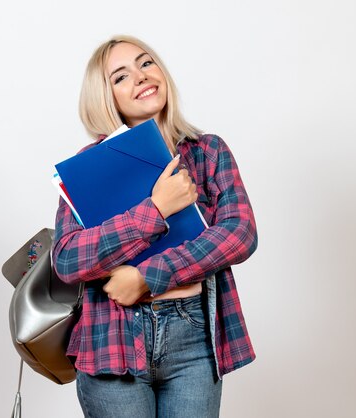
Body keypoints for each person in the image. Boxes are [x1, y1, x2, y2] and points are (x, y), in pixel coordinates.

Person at [52, 35, 258, 418]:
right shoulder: (87, 166)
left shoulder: (207, 151)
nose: (141, 77)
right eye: (120, 76)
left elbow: (239, 233)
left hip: (194, 338)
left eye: (146, 63)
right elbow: (67, 259)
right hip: (111, 341)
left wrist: (148, 277)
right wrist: (156, 209)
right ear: (105, 96)